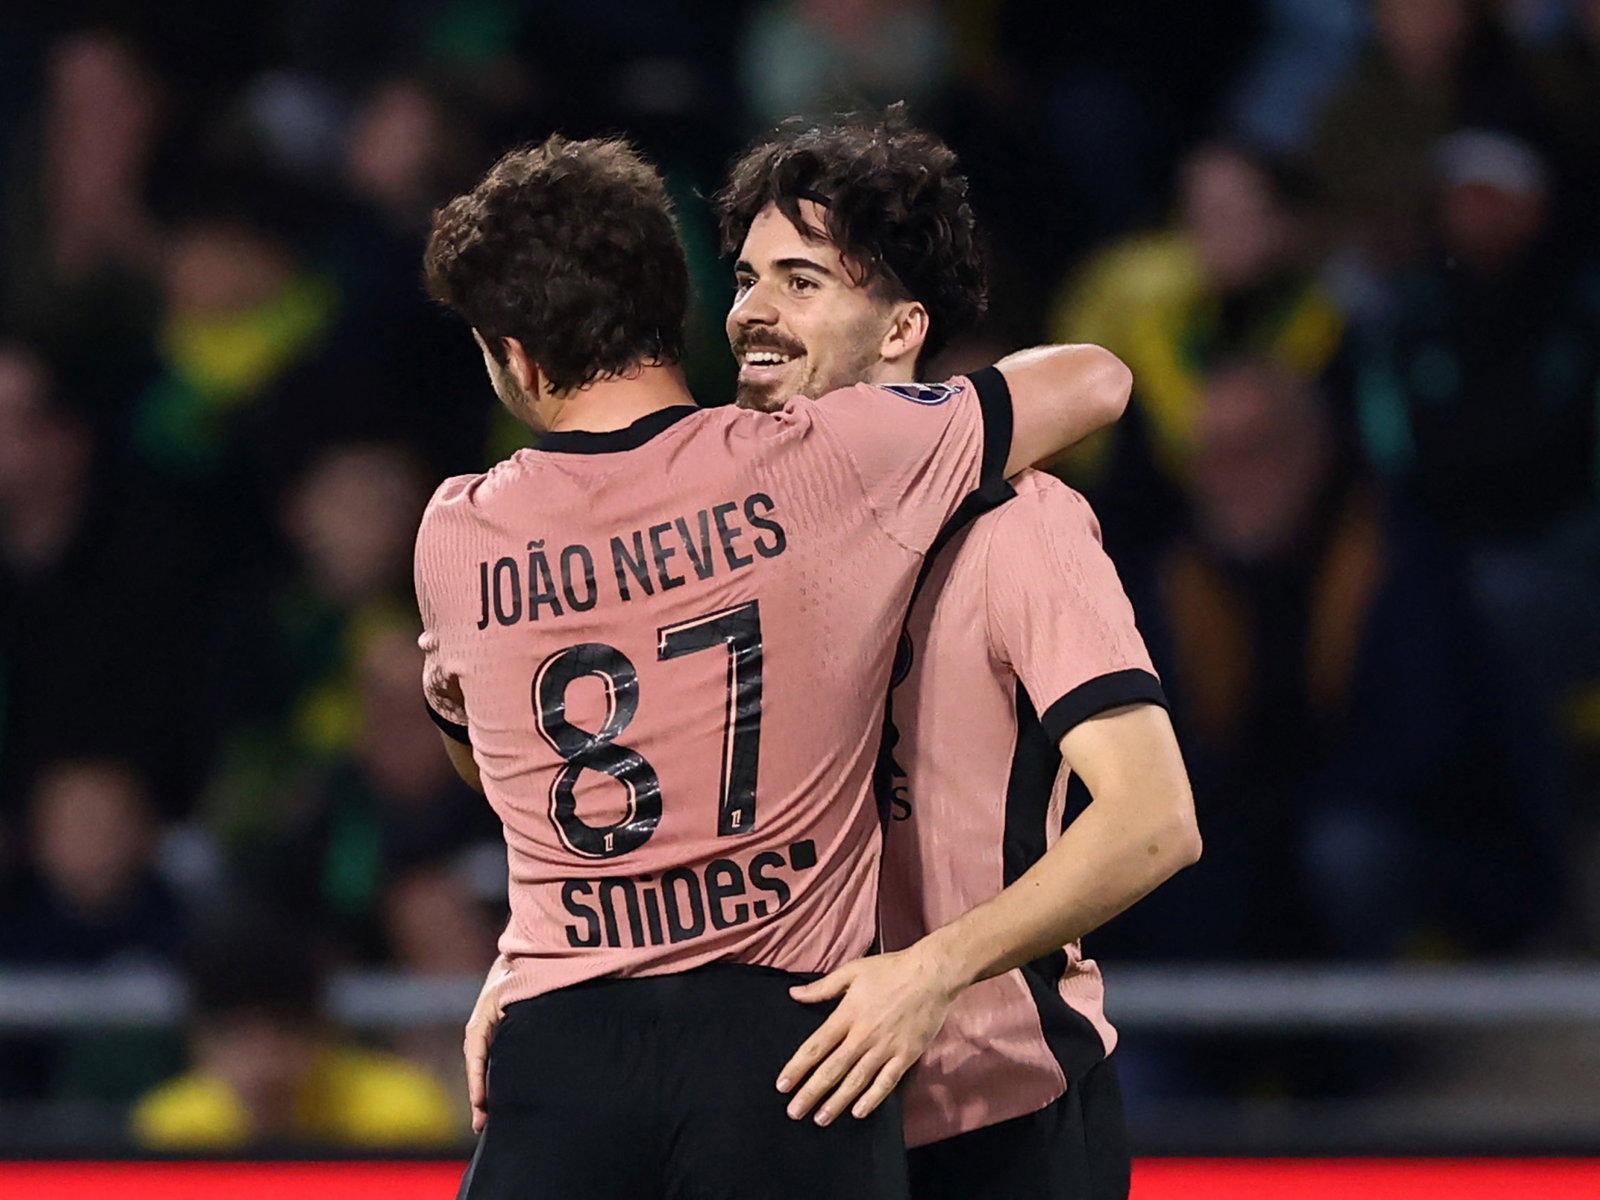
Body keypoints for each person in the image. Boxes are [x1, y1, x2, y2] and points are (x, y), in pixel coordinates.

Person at [460, 112, 1196, 1199]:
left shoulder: (1017, 524)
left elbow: (1153, 822)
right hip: (791, 1115)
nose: (754, 311)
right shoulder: (719, 520)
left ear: (901, 329)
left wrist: (931, 973)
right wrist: (540, 960)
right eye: (748, 277)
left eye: (801, 282)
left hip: (993, 1113)